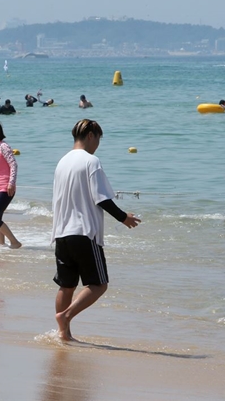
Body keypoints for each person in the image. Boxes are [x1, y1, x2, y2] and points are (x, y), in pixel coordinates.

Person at [51, 119, 141, 341]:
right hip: (84, 232)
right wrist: (124, 218)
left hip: (61, 232)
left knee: (66, 285)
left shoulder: (62, 162)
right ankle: (66, 316)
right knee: (99, 284)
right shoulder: (91, 161)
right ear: (91, 135)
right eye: (98, 139)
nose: (97, 144)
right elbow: (101, 198)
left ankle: (64, 334)